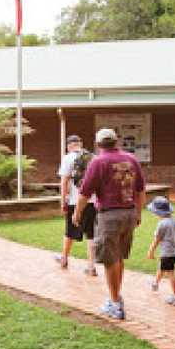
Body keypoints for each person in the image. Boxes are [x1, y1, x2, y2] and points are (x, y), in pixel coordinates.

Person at [74, 128, 146, 320]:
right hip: (129, 214)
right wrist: (138, 213)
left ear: (98, 144)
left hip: (110, 215)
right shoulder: (131, 159)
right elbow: (140, 190)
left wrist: (77, 212)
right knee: (119, 257)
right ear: (116, 141)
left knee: (109, 259)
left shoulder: (98, 162)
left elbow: (85, 192)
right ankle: (116, 297)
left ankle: (115, 304)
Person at [55, 134, 97, 276]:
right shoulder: (93, 157)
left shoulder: (67, 158)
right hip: (92, 201)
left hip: (74, 200)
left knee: (69, 231)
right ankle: (91, 267)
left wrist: (62, 201)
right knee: (91, 234)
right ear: (80, 144)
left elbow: (64, 181)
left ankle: (64, 259)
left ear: (69, 145)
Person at [146, 196, 175, 306]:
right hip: (174, 253)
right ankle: (155, 283)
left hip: (167, 253)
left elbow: (157, 240)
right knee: (162, 266)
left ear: (157, 212)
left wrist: (151, 251)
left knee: (171, 273)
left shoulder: (162, 224)